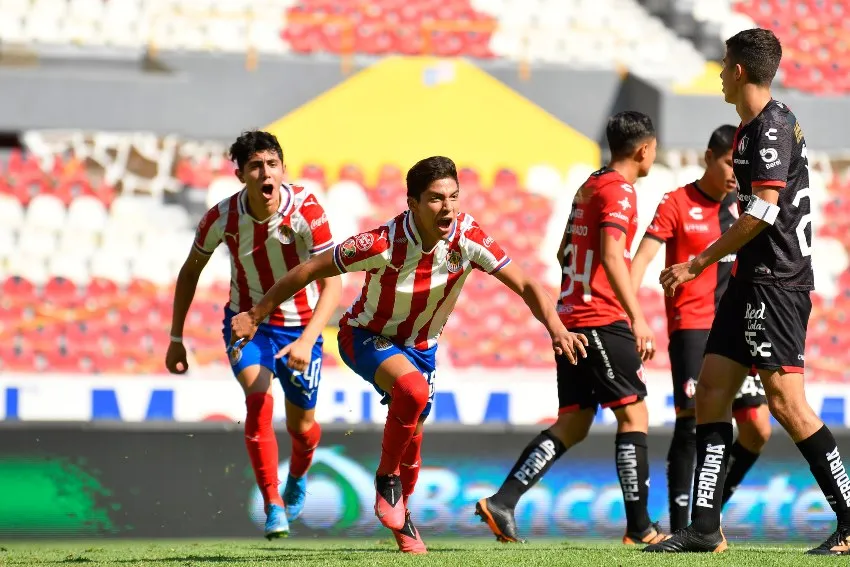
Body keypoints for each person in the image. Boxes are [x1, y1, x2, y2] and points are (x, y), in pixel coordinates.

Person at [228, 155, 589, 554]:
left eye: (454, 197)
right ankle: (386, 480)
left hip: (421, 349)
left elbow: (524, 282)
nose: (448, 207)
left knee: (414, 439)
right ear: (412, 204)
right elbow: (310, 270)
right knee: (413, 393)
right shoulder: (382, 243)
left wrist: (556, 327)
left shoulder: (468, 236)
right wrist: (256, 314)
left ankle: (404, 524)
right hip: (365, 336)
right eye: (435, 199)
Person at [645, 28, 850, 555]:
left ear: (738, 71)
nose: (718, 72)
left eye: (722, 64)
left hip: (776, 282)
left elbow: (763, 210)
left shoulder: (772, 126)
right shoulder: (749, 128)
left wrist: (698, 262)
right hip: (749, 280)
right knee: (712, 388)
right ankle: (705, 526)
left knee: (786, 402)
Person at [476, 111, 667, 546]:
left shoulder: (590, 185)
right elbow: (613, 254)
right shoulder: (620, 191)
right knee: (633, 413)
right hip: (600, 317)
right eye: (654, 148)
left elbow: (565, 250)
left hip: (572, 317)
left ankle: (503, 501)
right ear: (643, 150)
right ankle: (640, 528)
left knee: (575, 422)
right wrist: (636, 316)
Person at [165, 130, 342, 539]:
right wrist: (176, 337)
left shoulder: (307, 210)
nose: (266, 172)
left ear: (283, 168)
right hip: (248, 325)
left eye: (272, 164)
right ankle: (273, 505)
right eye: (256, 166)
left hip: (302, 329)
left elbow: (333, 284)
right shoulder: (220, 218)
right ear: (241, 175)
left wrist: (306, 340)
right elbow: (190, 272)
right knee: (258, 399)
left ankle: (298, 476)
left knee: (302, 428)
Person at [630, 125, 772, 534]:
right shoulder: (676, 202)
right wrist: (635, 315)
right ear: (708, 158)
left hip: (736, 330)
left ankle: (705, 511)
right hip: (691, 328)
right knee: (692, 420)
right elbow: (641, 262)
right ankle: (681, 527)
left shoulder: (742, 208)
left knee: (758, 429)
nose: (733, 172)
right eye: (728, 162)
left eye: (738, 165)